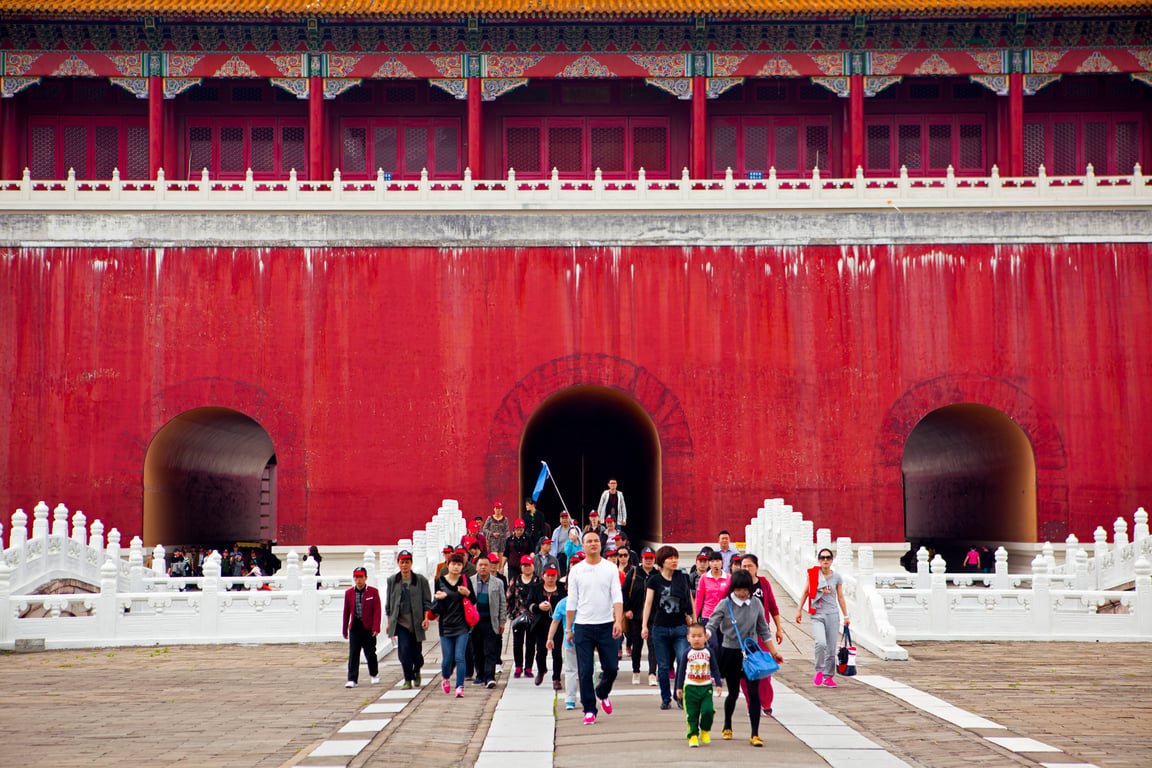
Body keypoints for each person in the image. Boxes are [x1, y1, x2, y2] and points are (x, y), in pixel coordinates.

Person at [707, 568, 784, 747]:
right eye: (739, 590)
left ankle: (755, 733)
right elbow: (712, 624)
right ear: (733, 588)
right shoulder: (725, 604)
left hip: (751, 654)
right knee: (733, 693)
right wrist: (705, 636)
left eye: (745, 590)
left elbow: (763, 629)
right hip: (731, 653)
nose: (742, 593)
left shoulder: (756, 603)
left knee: (754, 692)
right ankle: (727, 724)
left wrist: (774, 652)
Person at [566, 530, 624, 725]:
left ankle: (602, 691)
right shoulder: (576, 570)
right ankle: (589, 709)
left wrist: (618, 620)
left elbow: (617, 596)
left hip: (606, 624)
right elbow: (571, 601)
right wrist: (569, 628)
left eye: (596, 541)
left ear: (601, 544)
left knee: (612, 667)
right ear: (582, 545)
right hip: (583, 626)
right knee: (585, 671)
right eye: (589, 541)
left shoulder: (610, 568)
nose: (593, 544)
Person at [641, 545, 695, 710]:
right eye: (670, 558)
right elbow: (648, 603)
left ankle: (679, 694)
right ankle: (665, 697)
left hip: (680, 626)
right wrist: (644, 625)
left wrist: (693, 620)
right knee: (663, 666)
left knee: (682, 659)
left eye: (675, 557)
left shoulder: (682, 577)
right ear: (661, 562)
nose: (674, 561)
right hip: (660, 628)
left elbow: (689, 598)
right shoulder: (654, 580)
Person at [795, 547, 849, 688]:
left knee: (831, 649)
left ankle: (828, 676)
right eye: (822, 558)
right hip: (817, 613)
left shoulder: (837, 577)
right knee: (821, 643)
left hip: (832, 614)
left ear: (832, 560)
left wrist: (846, 615)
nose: (825, 560)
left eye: (828, 558)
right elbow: (806, 592)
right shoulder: (813, 575)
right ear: (819, 560)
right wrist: (799, 610)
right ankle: (819, 670)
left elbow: (841, 597)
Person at [740, 553, 783, 716]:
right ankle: (752, 703)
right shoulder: (736, 585)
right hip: (743, 635)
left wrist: (779, 628)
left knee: (764, 668)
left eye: (749, 565)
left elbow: (773, 606)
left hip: (761, 633)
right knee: (745, 671)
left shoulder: (763, 583)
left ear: (756, 567)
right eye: (744, 566)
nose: (747, 569)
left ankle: (766, 702)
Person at [386, 549, 432, 689]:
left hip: (416, 622)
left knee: (417, 655)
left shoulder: (420, 580)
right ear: (398, 563)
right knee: (404, 651)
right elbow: (389, 603)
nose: (404, 565)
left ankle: (417, 669)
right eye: (402, 562)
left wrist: (426, 619)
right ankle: (407, 679)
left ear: (411, 563)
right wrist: (389, 622)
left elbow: (427, 601)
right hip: (400, 623)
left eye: (407, 562)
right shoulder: (393, 580)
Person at [431, 553, 475, 698]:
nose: (456, 567)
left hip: (462, 625)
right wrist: (441, 598)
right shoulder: (440, 581)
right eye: (453, 564)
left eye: (459, 564)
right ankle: (445, 678)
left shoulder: (465, 580)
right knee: (448, 658)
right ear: (447, 565)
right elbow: (436, 606)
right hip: (445, 625)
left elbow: (473, 600)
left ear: (462, 566)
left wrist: (467, 592)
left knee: (460, 657)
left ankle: (460, 686)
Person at [675, 622, 722, 748]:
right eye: (693, 636)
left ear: (705, 637)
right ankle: (693, 735)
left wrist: (718, 683)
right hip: (690, 687)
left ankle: (705, 729)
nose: (697, 639)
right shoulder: (687, 653)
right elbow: (681, 670)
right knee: (692, 713)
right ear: (688, 638)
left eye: (700, 636)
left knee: (708, 710)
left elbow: (715, 668)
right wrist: (679, 687)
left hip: (706, 687)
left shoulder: (708, 652)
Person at [694, 550, 730, 692]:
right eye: (712, 561)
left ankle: (720, 673)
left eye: (718, 561)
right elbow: (699, 597)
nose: (715, 564)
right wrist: (695, 617)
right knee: (713, 644)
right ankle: (713, 672)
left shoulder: (728, 578)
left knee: (722, 646)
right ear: (709, 563)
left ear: (722, 562)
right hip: (708, 616)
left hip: (725, 617)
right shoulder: (704, 578)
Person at [470, 553, 507, 689]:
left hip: (490, 621)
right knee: (477, 649)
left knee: (490, 649)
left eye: (486, 565)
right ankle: (479, 675)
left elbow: (503, 602)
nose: (484, 568)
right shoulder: (470, 581)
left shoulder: (498, 582)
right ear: (476, 567)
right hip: (474, 621)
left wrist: (502, 621)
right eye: (481, 565)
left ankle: (489, 676)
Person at [622, 545, 658, 686]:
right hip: (635, 615)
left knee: (653, 645)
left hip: (653, 616)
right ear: (641, 559)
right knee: (637, 645)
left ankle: (652, 673)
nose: (648, 561)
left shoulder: (657, 574)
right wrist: (627, 609)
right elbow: (624, 591)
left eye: (651, 558)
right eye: (646, 558)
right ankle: (636, 671)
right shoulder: (633, 573)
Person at [342, 566, 382, 688]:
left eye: (361, 577)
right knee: (354, 653)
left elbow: (377, 610)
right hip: (355, 626)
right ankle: (352, 678)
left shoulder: (373, 592)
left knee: (370, 652)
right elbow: (346, 611)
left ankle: (374, 674)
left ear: (366, 578)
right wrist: (344, 629)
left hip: (368, 627)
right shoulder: (349, 593)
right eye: (356, 577)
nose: (358, 580)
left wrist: (376, 627)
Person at [528, 565, 566, 688]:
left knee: (556, 652)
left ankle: (556, 678)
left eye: (553, 575)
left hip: (557, 624)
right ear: (543, 575)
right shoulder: (536, 588)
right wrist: (538, 607)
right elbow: (529, 604)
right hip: (541, 624)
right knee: (540, 652)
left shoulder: (562, 589)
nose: (550, 578)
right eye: (548, 575)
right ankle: (541, 669)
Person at [508, 554, 539, 678]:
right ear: (521, 567)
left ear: (533, 566)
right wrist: (510, 613)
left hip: (533, 617)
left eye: (529, 565)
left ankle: (528, 668)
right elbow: (508, 597)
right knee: (517, 642)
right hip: (518, 615)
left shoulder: (537, 581)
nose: (527, 568)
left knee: (531, 643)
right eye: (524, 566)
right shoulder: (515, 580)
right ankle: (518, 666)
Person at [482, 502, 511, 569]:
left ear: (501, 509)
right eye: (496, 508)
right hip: (493, 541)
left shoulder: (505, 519)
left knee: (501, 561)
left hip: (502, 541)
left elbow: (507, 530)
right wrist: (492, 533)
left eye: (499, 508)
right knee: (494, 558)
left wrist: (508, 540)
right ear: (494, 509)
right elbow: (484, 529)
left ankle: (500, 575)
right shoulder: (490, 518)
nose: (498, 510)